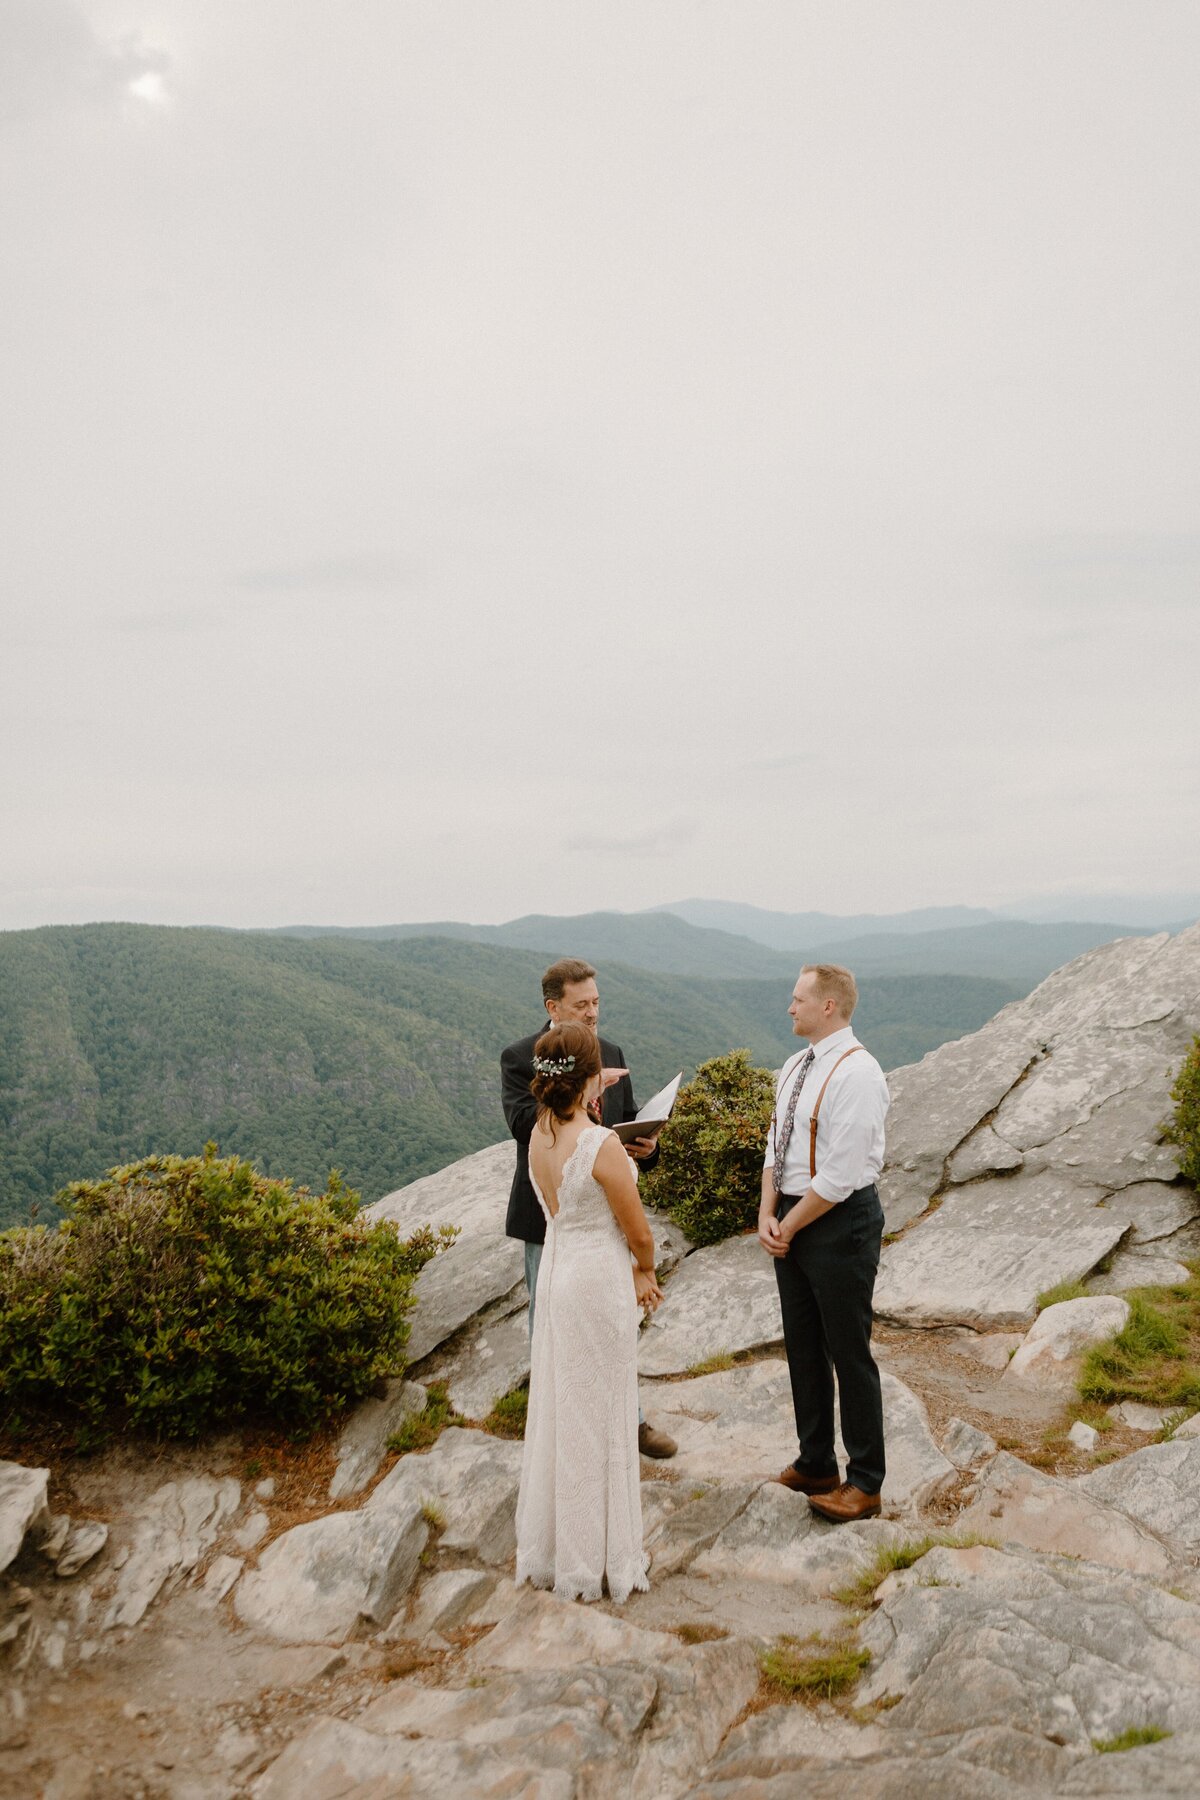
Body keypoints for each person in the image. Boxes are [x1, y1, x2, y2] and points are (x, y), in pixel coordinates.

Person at [500, 957, 677, 1458]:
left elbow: (629, 1123)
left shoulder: (612, 1050)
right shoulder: (519, 1057)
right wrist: (584, 1099)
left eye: (597, 1002)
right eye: (582, 1006)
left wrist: (647, 1147)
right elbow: (523, 1126)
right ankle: (555, 1426)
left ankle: (629, 1420)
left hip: (608, 1220)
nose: (593, 1013)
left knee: (613, 1324)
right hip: (551, 1218)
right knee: (551, 1325)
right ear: (553, 1007)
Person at [514, 1021, 664, 1602]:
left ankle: (558, 1549)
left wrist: (588, 1084)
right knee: (601, 1412)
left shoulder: (540, 1135)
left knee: (563, 1409)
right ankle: (598, 1557)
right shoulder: (600, 1145)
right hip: (596, 1281)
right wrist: (644, 1270)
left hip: (556, 1272)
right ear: (587, 1079)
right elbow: (639, 1232)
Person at [757, 963, 890, 1522]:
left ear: (828, 1006)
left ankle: (865, 1482)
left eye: (798, 999)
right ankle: (816, 1462)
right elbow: (775, 1143)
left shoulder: (859, 1074)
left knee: (848, 1351)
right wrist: (767, 1211)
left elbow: (840, 1175)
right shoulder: (794, 1064)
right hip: (790, 1215)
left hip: (838, 1222)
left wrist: (790, 1224)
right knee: (804, 1346)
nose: (790, 1008)